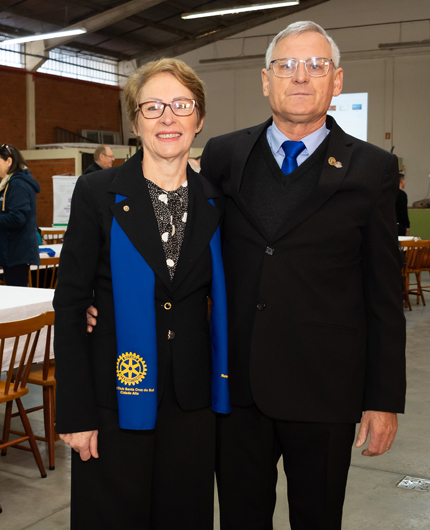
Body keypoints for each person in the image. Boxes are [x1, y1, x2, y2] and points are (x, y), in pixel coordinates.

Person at [200, 21, 406, 530]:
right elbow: (190, 257)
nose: (300, 77)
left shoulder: (372, 168)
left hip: (326, 389)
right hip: (237, 385)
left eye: (316, 66)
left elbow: (384, 294)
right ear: (265, 81)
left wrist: (382, 401)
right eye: (287, 65)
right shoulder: (224, 156)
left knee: (318, 518)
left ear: (336, 82)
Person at [54, 58, 230, 530]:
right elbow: (70, 305)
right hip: (113, 400)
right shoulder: (97, 192)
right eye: (152, 107)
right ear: (135, 122)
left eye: (181, 105)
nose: (167, 117)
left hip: (191, 406)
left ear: (199, 118)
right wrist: (74, 411)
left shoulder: (216, 201)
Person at [0, 143, 40, 286]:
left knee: (17, 294)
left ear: (9, 161)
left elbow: (18, 218)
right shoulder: (11, 183)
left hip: (17, 251)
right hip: (13, 250)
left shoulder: (17, 184)